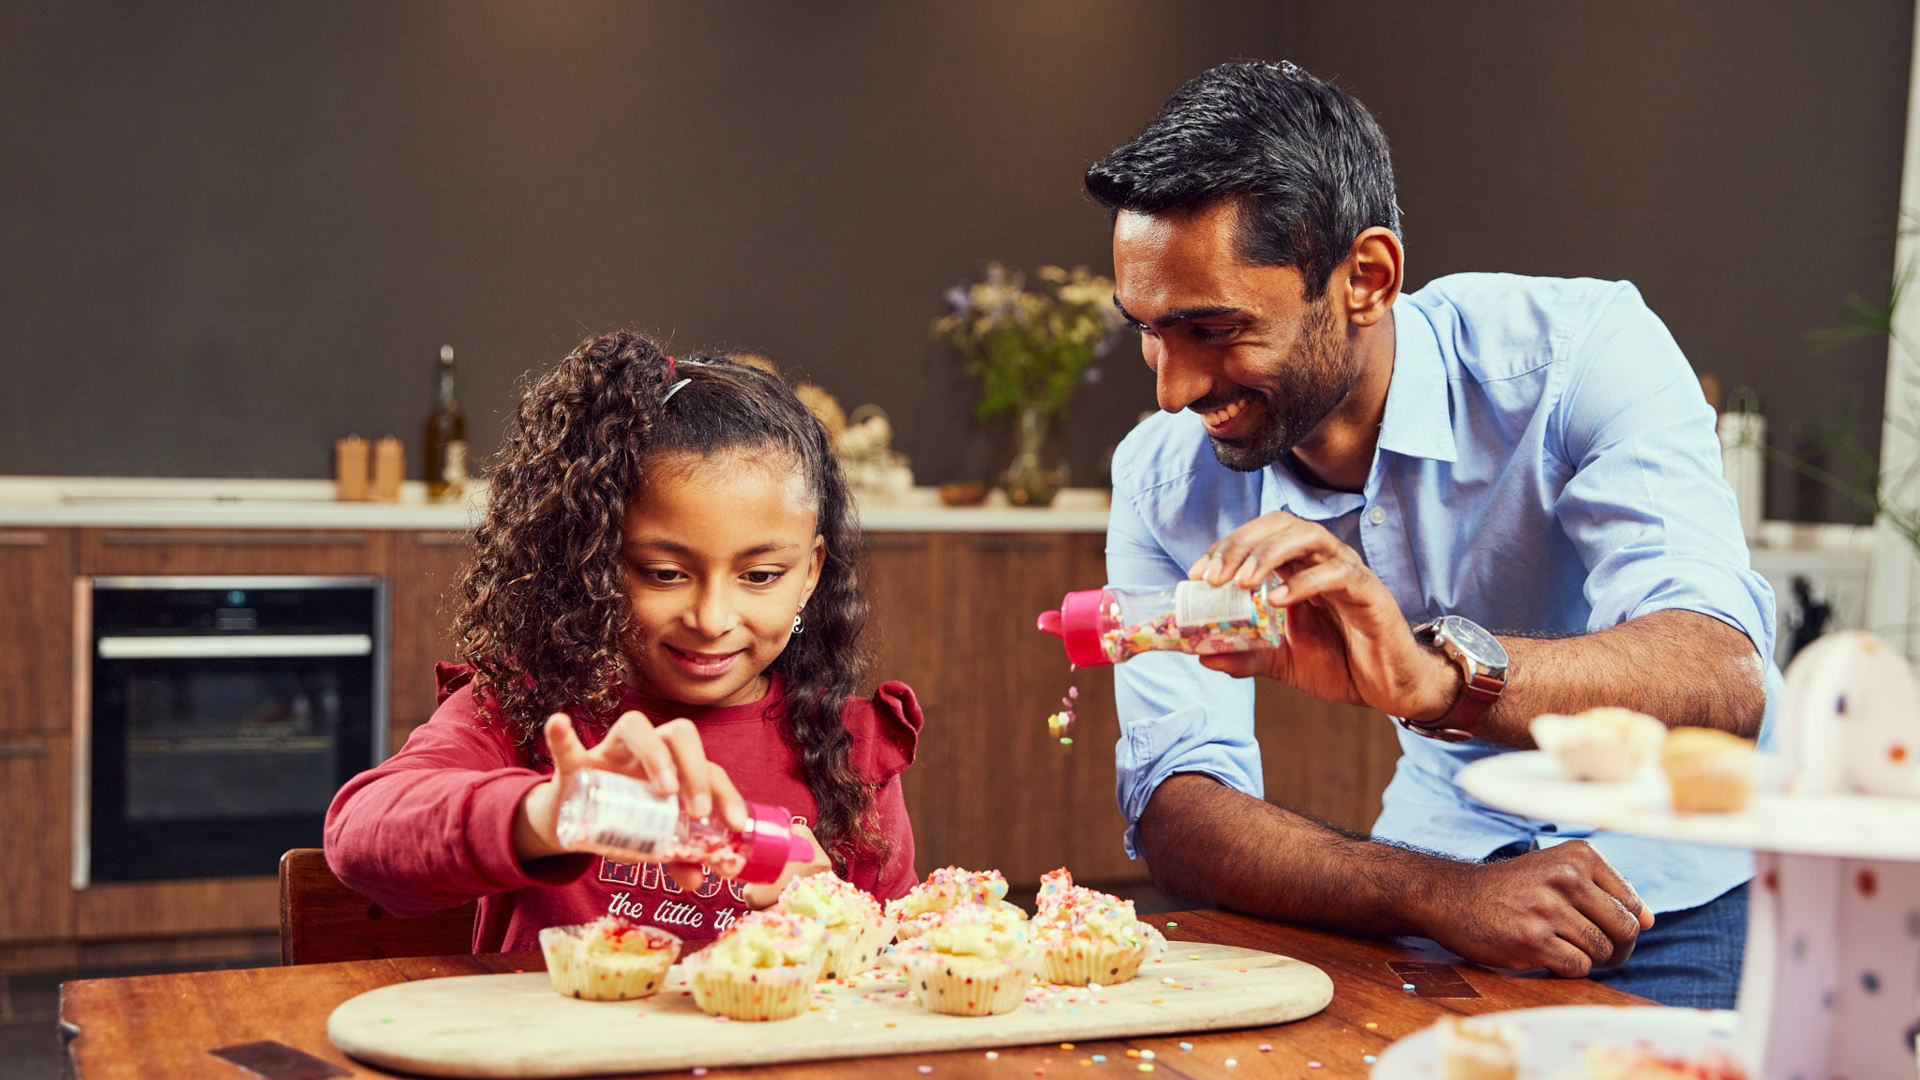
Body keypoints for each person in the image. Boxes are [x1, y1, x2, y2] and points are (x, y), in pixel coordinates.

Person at [1084, 61, 1777, 1008]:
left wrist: (1438, 680)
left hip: (1681, 889)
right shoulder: (1163, 477)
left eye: (1213, 328)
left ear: (1366, 277)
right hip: (1437, 873)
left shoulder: (1578, 359)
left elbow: (1718, 676)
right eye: (1150, 330)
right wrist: (1437, 891)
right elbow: (1178, 807)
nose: (1173, 388)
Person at [325, 331, 921, 951]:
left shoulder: (851, 750)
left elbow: (905, 973)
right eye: (664, 574)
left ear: (810, 574)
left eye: (760, 576)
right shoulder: (528, 712)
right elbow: (361, 837)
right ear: (595, 562)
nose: (713, 617)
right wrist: (552, 814)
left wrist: (847, 925)